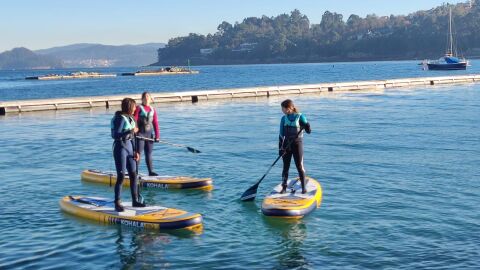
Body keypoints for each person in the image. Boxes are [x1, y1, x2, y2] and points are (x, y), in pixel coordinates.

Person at [111, 98, 146, 212]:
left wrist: (136, 151)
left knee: (133, 175)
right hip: (120, 148)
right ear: (129, 107)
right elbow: (115, 135)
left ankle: (135, 200)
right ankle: (117, 203)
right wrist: (131, 131)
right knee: (121, 176)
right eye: (134, 106)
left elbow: (134, 137)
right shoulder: (119, 119)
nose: (135, 108)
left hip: (130, 149)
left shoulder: (132, 118)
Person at [278, 99, 311, 194]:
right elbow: (281, 135)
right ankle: (284, 188)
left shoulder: (300, 117)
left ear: (288, 108)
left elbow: (309, 132)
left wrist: (307, 126)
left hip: (297, 144)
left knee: (299, 166)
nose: (282, 110)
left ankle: (304, 188)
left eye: (283, 108)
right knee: (285, 167)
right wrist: (280, 148)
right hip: (286, 145)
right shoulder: (283, 119)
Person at [134, 92, 160, 176]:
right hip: (140, 135)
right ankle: (135, 172)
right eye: (144, 97)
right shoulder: (139, 108)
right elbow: (134, 120)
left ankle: (150, 172)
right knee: (138, 153)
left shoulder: (153, 110)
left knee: (149, 154)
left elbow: (155, 123)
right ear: (142, 99)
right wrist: (135, 129)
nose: (146, 98)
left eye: (148, 96)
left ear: (151, 99)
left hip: (149, 135)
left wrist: (157, 136)